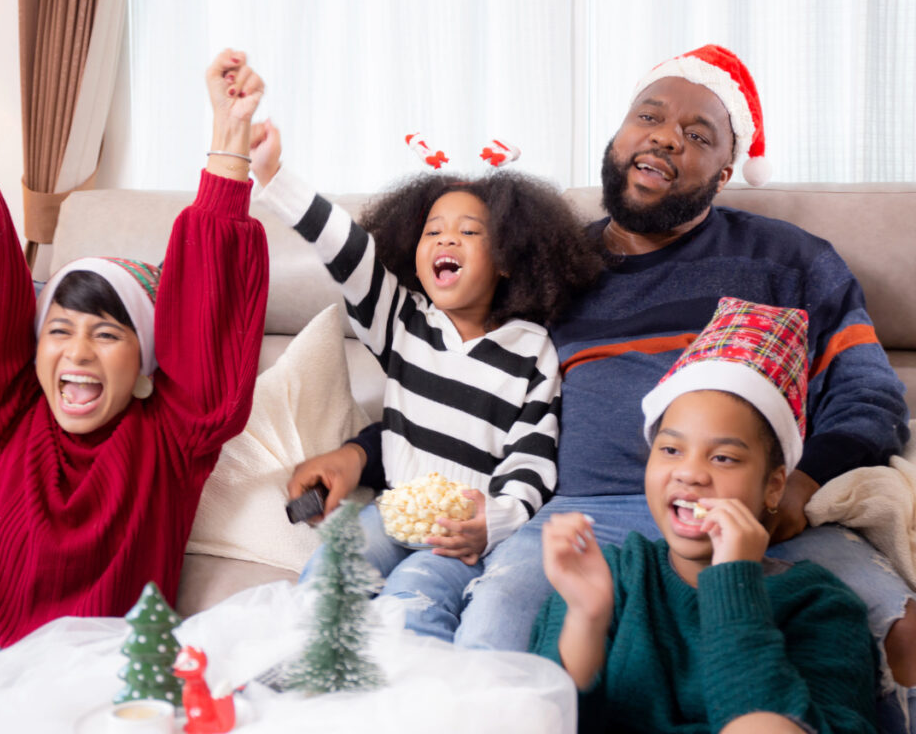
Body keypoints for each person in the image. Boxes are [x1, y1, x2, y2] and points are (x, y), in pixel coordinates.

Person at [302, 44, 916, 726]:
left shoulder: (789, 260)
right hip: (581, 513)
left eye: (697, 135)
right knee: (495, 639)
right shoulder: (548, 269)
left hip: (751, 507)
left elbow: (869, 396)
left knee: (901, 630)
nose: (666, 137)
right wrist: (360, 453)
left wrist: (797, 488)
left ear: (725, 172)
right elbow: (460, 390)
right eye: (648, 117)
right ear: (619, 134)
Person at [0, 40, 269, 677]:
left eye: (106, 335)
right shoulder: (5, 416)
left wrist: (230, 134)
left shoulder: (172, 441)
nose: (76, 351)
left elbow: (213, 301)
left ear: (146, 366)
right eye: (60, 330)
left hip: (84, 684)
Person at [247, 124, 602, 641]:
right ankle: (302, 675)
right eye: (433, 232)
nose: (446, 239)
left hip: (459, 533)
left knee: (413, 598)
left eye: (469, 232)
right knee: (327, 576)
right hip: (391, 514)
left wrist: (495, 521)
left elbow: (531, 459)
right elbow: (349, 251)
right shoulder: (400, 321)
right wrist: (275, 177)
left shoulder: (533, 350)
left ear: (506, 260)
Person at [530, 297, 879, 734]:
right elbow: (546, 720)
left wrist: (733, 581)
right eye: (670, 450)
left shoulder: (821, 605)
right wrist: (587, 620)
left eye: (724, 458)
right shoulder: (609, 578)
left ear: (774, 485)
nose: (691, 473)